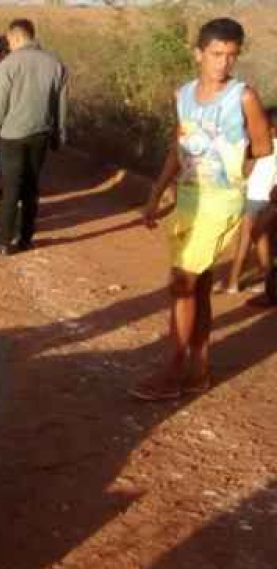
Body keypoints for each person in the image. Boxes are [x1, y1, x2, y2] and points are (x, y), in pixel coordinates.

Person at [134, 18, 273, 400]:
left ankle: (172, 371)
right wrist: (155, 195)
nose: (223, 62)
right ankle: (199, 369)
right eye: (216, 54)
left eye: (231, 55)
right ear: (198, 54)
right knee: (198, 285)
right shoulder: (183, 96)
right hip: (188, 198)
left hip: (220, 200)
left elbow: (263, 146)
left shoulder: (243, 97)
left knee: (182, 283)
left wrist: (230, 152)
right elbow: (176, 149)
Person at [0, 19, 68, 255]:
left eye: (10, 40)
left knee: (10, 187)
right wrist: (59, 134)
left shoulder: (7, 66)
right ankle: (26, 237)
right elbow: (61, 105)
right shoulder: (56, 64)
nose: (8, 44)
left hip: (11, 136)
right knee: (31, 187)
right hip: (40, 133)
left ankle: (2, 240)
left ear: (17, 37)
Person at [223, 106, 277, 301]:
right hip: (266, 199)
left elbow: (245, 172)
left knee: (246, 242)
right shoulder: (260, 145)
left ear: (271, 128)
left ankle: (234, 283)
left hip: (259, 198)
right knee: (262, 241)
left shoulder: (258, 146)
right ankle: (265, 282)